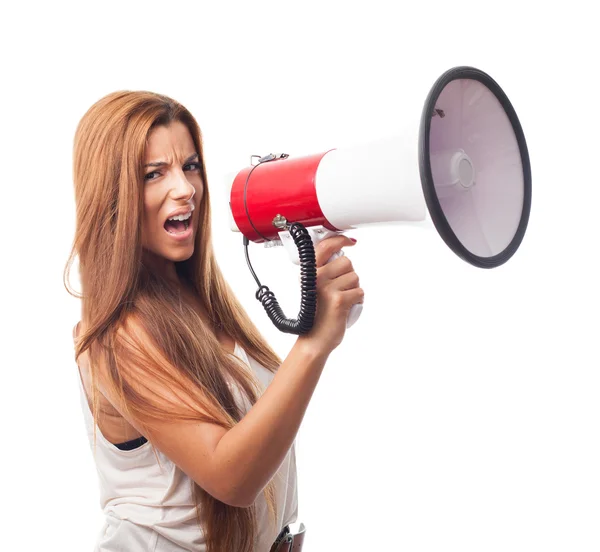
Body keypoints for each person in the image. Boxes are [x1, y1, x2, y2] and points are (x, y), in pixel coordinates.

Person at [66, 90, 364, 552]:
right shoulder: (117, 335)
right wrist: (313, 345)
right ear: (113, 195)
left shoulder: (202, 303)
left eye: (189, 166)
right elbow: (231, 477)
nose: (185, 188)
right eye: (153, 174)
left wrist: (328, 308)